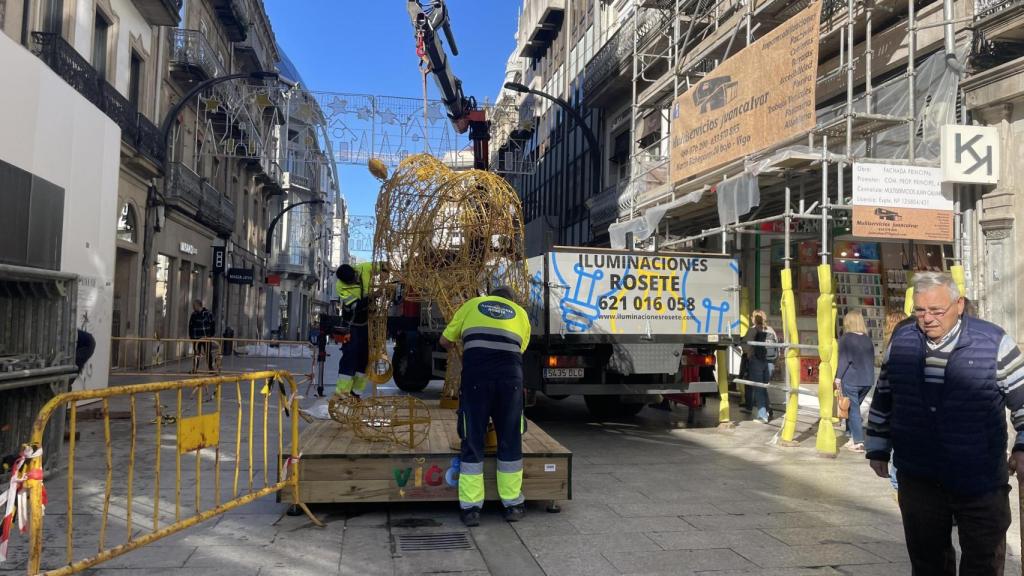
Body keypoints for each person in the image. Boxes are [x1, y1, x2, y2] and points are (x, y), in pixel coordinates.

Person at [865, 272, 1024, 575]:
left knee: (983, 561)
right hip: (919, 477)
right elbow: (884, 395)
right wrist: (877, 446)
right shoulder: (902, 342)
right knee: (927, 563)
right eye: (920, 310)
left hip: (980, 479)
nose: (927, 319)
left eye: (936, 310)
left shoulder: (994, 342)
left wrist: (1022, 446)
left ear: (959, 305)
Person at [440, 287, 531, 527]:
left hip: (476, 382)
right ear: (510, 302)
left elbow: (444, 341)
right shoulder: (520, 314)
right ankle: (512, 504)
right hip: (510, 382)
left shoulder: (471, 305)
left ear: (491, 295)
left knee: (473, 440)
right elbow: (519, 349)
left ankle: (471, 509)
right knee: (510, 440)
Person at [835, 309, 875, 453]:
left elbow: (845, 359)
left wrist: (838, 377)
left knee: (853, 410)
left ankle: (858, 442)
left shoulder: (846, 338)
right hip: (868, 380)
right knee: (854, 408)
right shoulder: (867, 339)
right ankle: (852, 437)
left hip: (852, 379)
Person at [335, 263, 375, 397]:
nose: (354, 281)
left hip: (365, 324)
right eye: (350, 281)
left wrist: (385, 270)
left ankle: (356, 393)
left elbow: (384, 265)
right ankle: (342, 392)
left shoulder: (364, 268)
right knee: (350, 356)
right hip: (351, 326)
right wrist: (373, 296)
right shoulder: (340, 286)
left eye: (354, 278)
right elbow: (354, 305)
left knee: (364, 358)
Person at [745, 311, 774, 424]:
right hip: (770, 362)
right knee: (763, 387)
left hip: (757, 361)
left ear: (754, 318)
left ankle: (762, 415)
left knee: (758, 388)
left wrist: (748, 354)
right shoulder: (771, 330)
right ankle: (768, 408)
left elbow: (746, 346)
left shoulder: (753, 329)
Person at [188, 299, 215, 372]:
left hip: (206, 337)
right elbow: (190, 325)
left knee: (208, 353)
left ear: (198, 305)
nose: (193, 307)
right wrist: (191, 336)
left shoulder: (208, 314)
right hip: (196, 337)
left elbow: (212, 324)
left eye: (194, 305)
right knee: (196, 353)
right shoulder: (193, 315)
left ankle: (211, 368)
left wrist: (211, 335)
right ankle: (195, 368)